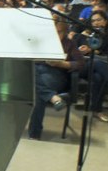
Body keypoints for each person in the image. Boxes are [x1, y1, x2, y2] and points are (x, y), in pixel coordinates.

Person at [27, 9, 85, 140]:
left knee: (36, 87)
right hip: (37, 72)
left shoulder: (69, 44)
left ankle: (35, 134)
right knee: (37, 90)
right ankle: (53, 97)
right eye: (52, 32)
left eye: (58, 32)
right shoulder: (40, 41)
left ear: (64, 31)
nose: (55, 35)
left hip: (55, 75)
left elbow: (81, 63)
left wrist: (63, 64)